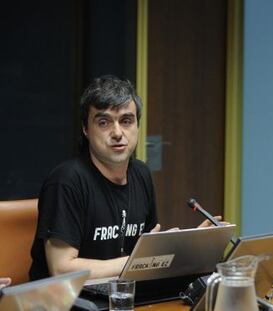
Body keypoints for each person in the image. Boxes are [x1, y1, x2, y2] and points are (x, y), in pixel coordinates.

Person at [30, 75, 217, 280]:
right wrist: (140, 260)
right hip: (71, 301)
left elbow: (144, 249)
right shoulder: (66, 181)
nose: (118, 132)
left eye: (126, 121)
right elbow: (62, 269)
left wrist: (182, 248)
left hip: (123, 294)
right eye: (104, 122)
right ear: (86, 129)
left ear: (137, 125)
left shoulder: (141, 174)